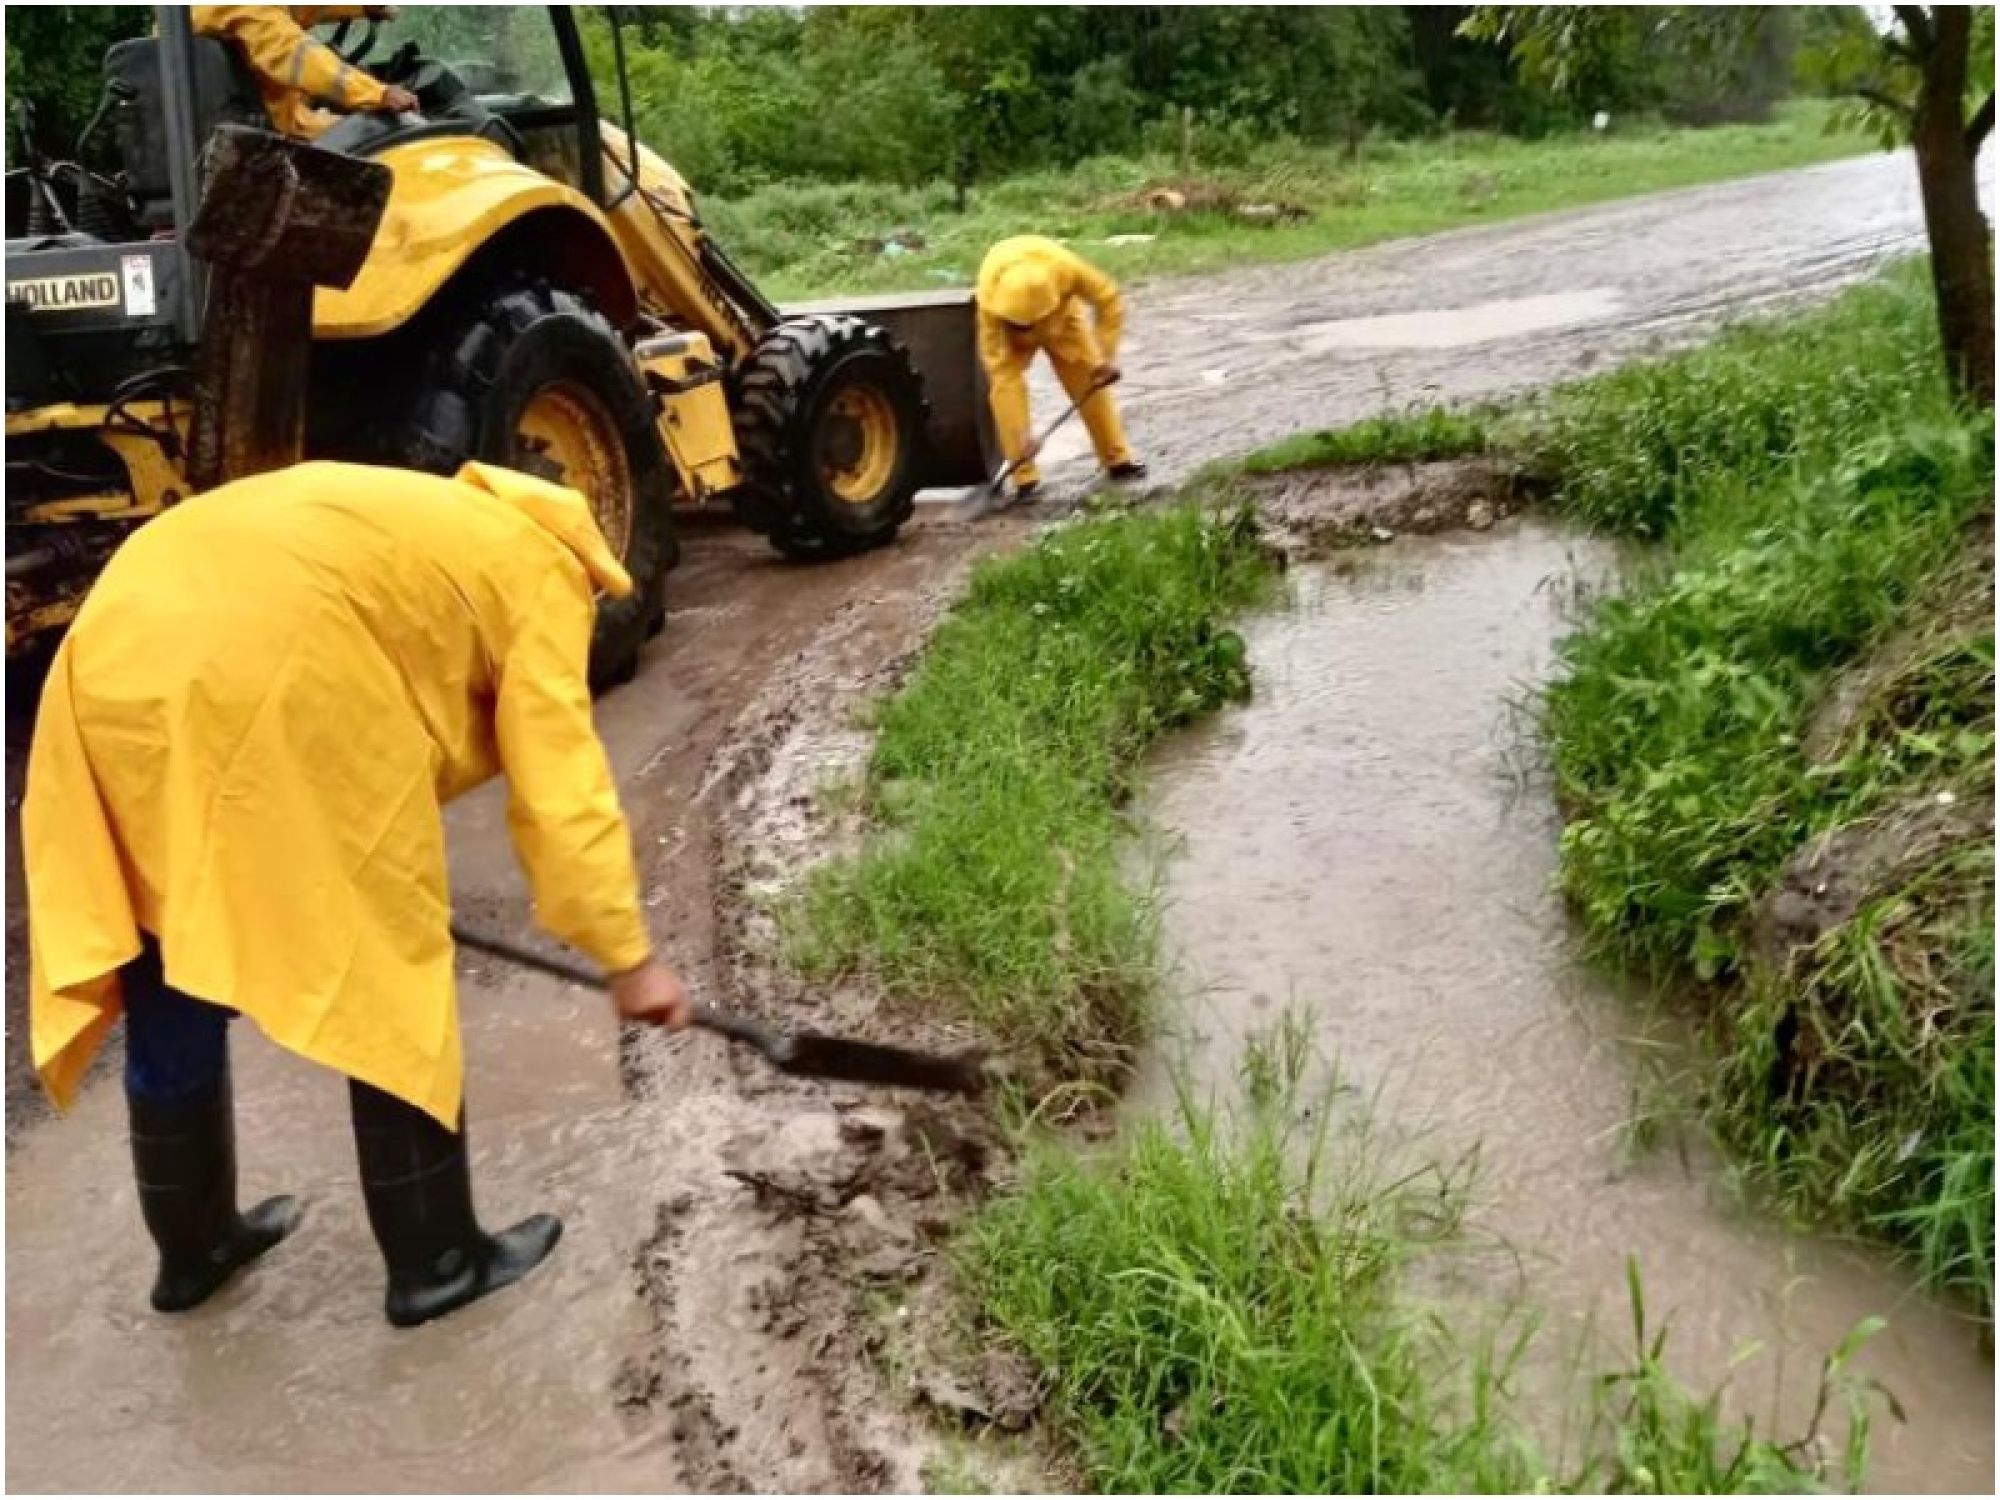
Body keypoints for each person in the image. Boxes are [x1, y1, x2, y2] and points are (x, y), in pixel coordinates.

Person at [24, 459, 691, 1328]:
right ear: (584, 561)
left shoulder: (425, 517)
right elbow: (564, 798)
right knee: (384, 961)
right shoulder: (540, 578)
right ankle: (438, 1262)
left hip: (112, 648)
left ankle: (194, 1251)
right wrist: (629, 959)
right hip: (266, 671)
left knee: (160, 933)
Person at [976, 234, 1147, 502]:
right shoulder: (991, 304)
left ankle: (1117, 459)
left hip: (1063, 322)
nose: (1027, 331)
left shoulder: (1067, 269)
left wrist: (1105, 357)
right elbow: (1003, 376)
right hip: (1005, 331)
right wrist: (1022, 436)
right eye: (1022, 325)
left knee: (1091, 379)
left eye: (1030, 324)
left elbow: (1109, 299)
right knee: (1002, 390)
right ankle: (1024, 477)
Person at [193, 6, 419, 140]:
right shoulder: (245, 9)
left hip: (269, 122)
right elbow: (299, 57)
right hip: (273, 137)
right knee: (375, 139)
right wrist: (378, 94)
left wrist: (361, 7)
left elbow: (298, 8)